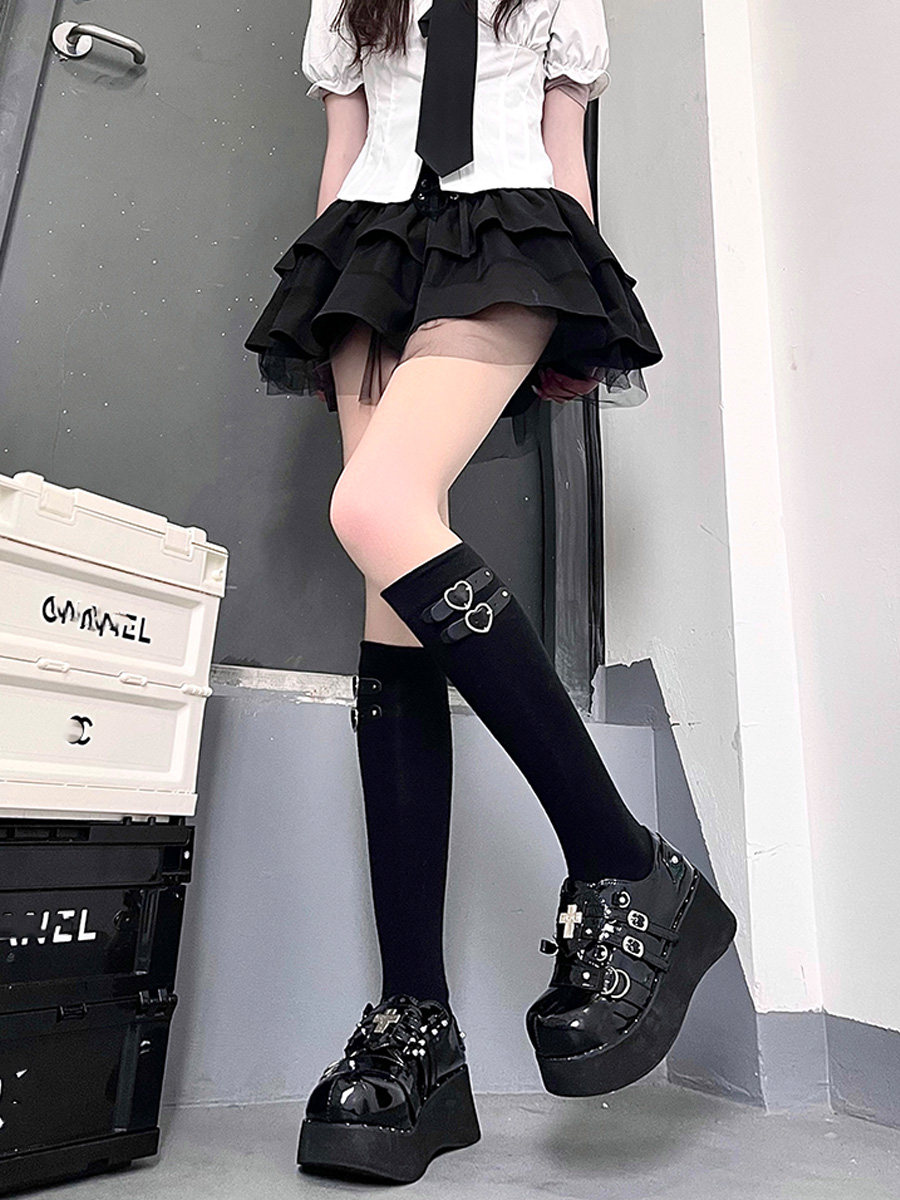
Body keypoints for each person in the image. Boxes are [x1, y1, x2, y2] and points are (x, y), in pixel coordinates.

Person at [244, 0, 736, 1184]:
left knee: (374, 511)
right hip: (371, 251)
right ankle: (417, 1027)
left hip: (511, 233)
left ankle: (626, 861)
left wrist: (580, 316)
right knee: (389, 592)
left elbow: (563, 146)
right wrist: (327, 305)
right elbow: (345, 153)